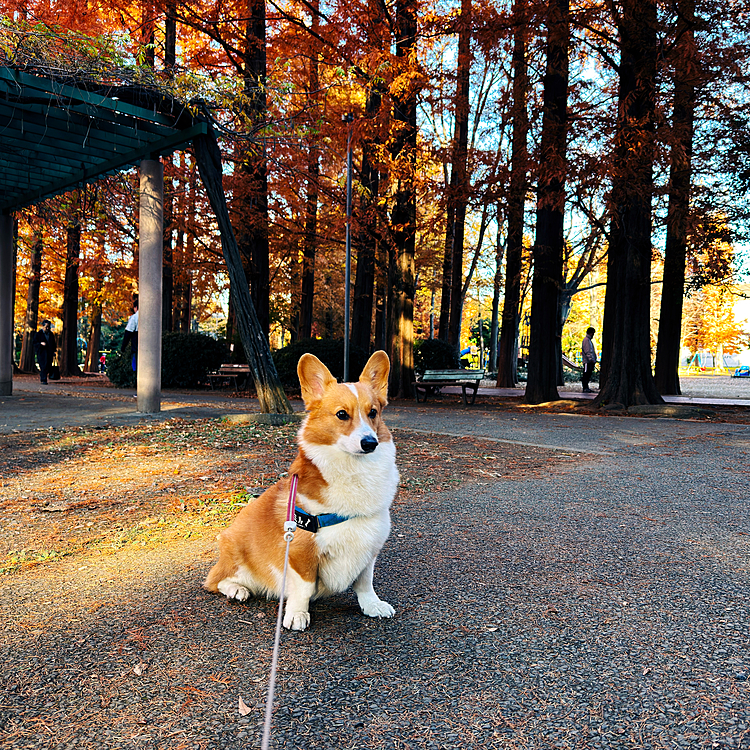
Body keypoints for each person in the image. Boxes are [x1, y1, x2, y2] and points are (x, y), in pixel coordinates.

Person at [33, 319, 57, 384]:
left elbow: (53, 343)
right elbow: (34, 343)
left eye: (48, 326)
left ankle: (46, 377)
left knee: (48, 365)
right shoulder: (38, 334)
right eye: (46, 326)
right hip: (42, 353)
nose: (47, 328)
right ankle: (43, 379)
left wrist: (54, 351)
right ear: (43, 326)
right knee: (43, 366)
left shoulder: (51, 334)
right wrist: (40, 344)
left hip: (49, 353)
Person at [121, 299, 139, 372]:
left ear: (136, 307)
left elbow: (128, 333)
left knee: (135, 367)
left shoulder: (134, 317)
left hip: (136, 346)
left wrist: (123, 347)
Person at [581, 326, 597, 393]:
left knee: (588, 374)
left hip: (589, 361)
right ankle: (585, 388)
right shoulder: (586, 340)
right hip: (587, 361)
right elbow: (588, 351)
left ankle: (586, 387)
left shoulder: (588, 340)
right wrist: (591, 359)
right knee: (586, 374)